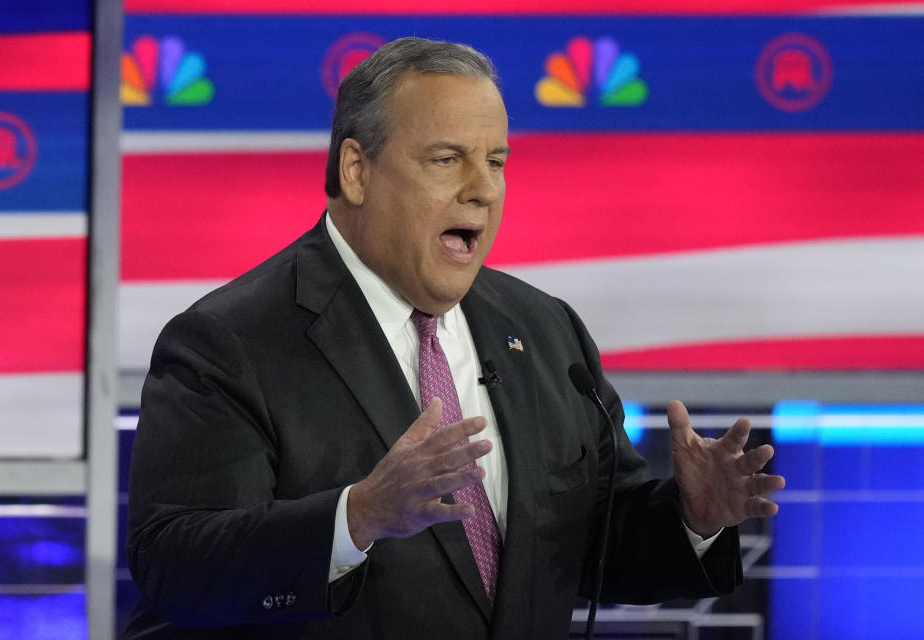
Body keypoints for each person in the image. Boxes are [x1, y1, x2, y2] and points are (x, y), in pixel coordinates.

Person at [124, 37, 784, 639]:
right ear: (357, 170)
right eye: (448, 160)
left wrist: (692, 518)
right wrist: (356, 518)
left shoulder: (544, 331)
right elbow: (177, 566)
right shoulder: (229, 340)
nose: (483, 190)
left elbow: (586, 544)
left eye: (496, 161)